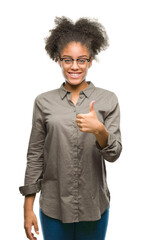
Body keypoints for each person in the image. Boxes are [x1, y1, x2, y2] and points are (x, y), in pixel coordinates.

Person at [19, 16, 122, 240]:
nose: (74, 66)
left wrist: (99, 131)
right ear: (58, 60)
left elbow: (114, 154)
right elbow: (35, 155)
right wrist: (28, 209)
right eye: (68, 60)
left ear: (90, 61)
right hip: (53, 207)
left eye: (81, 60)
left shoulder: (108, 100)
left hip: (94, 206)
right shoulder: (43, 102)